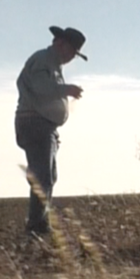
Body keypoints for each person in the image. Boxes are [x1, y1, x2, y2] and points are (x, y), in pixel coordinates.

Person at [15, 26, 87, 237]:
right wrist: (66, 90)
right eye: (72, 52)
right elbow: (41, 88)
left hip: (42, 125)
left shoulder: (51, 64)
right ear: (61, 44)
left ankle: (39, 224)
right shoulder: (43, 60)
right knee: (43, 177)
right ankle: (37, 226)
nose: (71, 57)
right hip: (36, 123)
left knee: (46, 176)